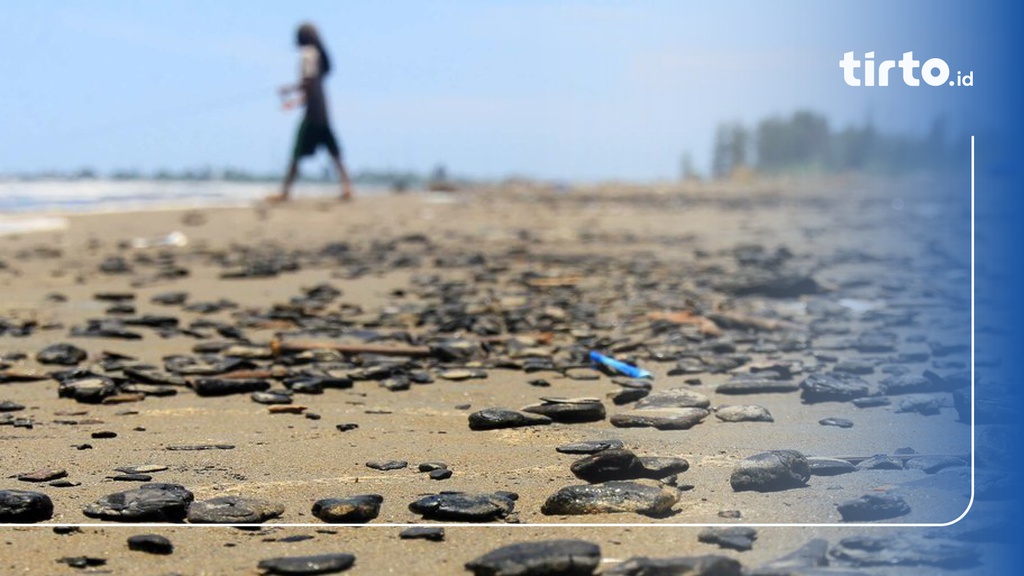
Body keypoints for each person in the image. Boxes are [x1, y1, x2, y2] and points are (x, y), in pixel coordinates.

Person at [267, 22, 352, 203]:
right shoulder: (320, 56)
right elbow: (312, 85)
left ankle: (285, 191)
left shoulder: (308, 54)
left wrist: (290, 93)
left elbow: (308, 82)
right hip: (322, 111)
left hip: (312, 113)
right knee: (334, 151)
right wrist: (296, 99)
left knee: (297, 153)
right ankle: (347, 187)